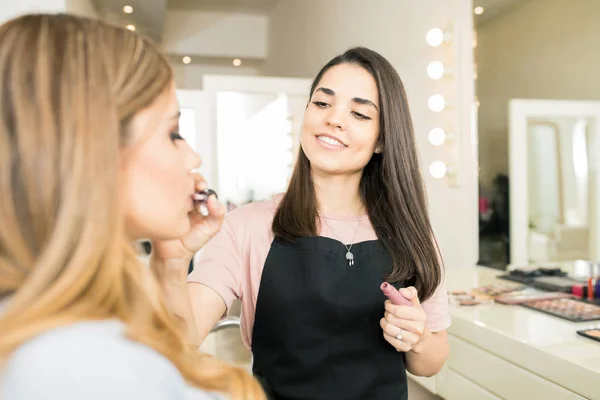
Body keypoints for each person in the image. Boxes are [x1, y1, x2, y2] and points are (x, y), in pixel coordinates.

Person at [0, 13, 264, 400]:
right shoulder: (76, 363)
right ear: (95, 149)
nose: (193, 157)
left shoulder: (62, 327)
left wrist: (172, 262)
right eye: (173, 133)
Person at [166, 47, 451, 399]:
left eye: (360, 113)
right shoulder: (246, 227)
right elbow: (176, 339)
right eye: (322, 103)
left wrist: (417, 337)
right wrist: (172, 256)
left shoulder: (411, 233)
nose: (333, 119)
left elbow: (431, 362)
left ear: (382, 140)